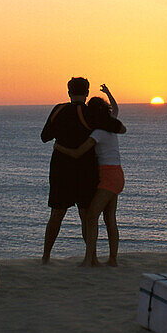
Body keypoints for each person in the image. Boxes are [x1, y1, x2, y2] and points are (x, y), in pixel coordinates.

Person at [55, 90, 126, 267]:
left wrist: (59, 147)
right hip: (117, 174)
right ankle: (113, 259)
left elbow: (78, 153)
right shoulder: (111, 126)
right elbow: (116, 108)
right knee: (110, 218)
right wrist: (109, 92)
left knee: (91, 217)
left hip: (108, 176)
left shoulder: (99, 133)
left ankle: (89, 259)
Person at [40, 77, 103, 264]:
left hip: (61, 168)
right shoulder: (92, 112)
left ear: (68, 92)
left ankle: (46, 256)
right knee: (86, 216)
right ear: (88, 92)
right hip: (86, 169)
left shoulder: (58, 110)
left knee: (56, 214)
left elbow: (45, 137)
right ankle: (92, 256)